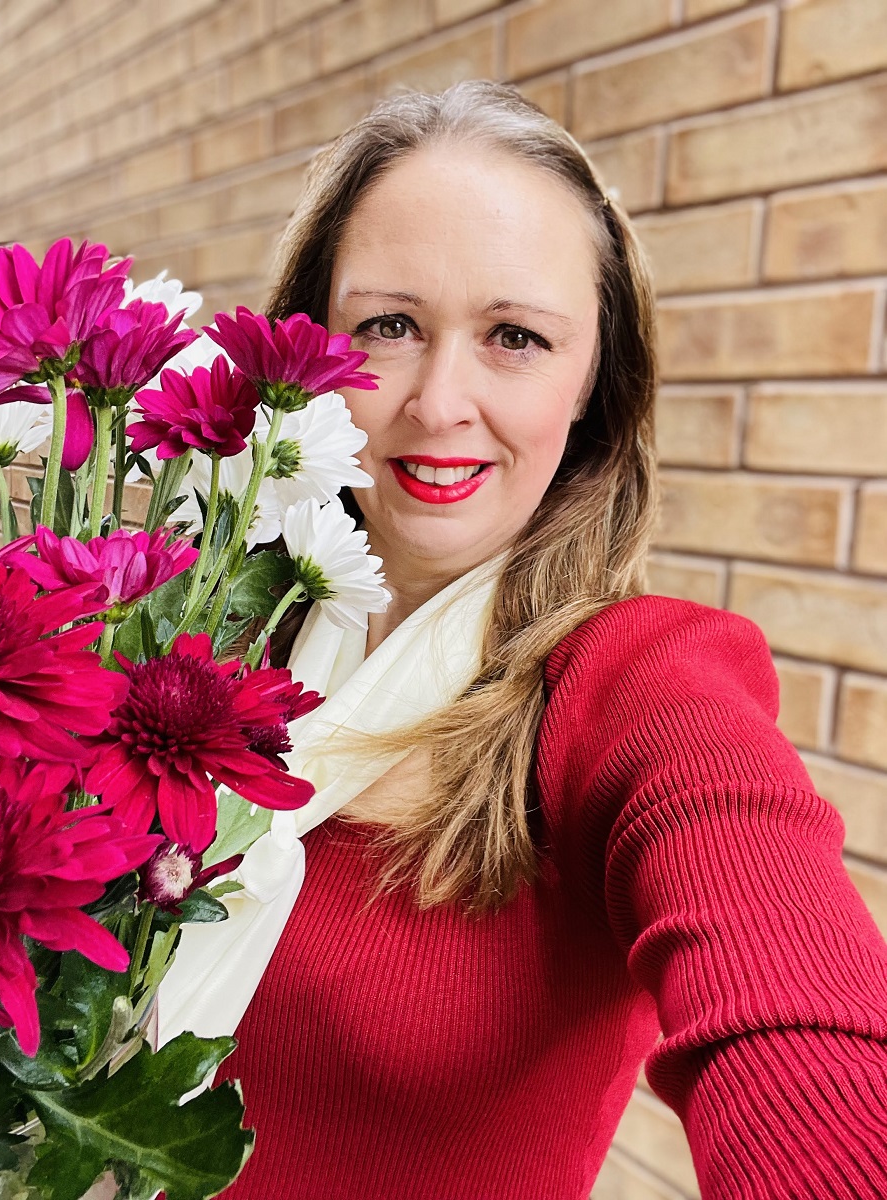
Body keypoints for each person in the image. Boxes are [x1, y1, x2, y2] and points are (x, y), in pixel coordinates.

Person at [213, 80, 887, 1199]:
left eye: (515, 338)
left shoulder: (638, 683)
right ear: (306, 351)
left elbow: (802, 1015)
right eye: (389, 326)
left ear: (593, 389)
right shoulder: (192, 635)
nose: (439, 401)